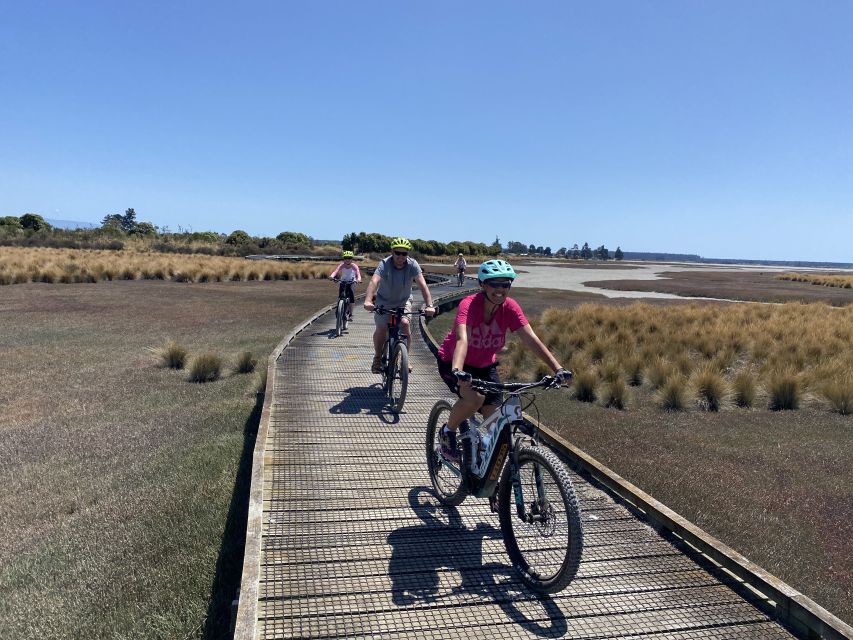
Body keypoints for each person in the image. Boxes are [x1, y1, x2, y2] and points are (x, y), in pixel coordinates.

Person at [434, 258, 571, 463]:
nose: (500, 289)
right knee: (474, 399)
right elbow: (463, 339)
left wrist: (558, 368)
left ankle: (485, 472)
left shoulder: (511, 308)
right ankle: (448, 432)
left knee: (495, 419)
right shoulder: (469, 304)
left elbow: (531, 339)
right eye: (494, 283)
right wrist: (458, 370)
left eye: (505, 284)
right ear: (482, 284)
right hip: (453, 361)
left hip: (485, 364)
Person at [363, 237, 436, 373]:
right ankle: (378, 358)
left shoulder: (413, 264)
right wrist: (368, 300)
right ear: (392, 252)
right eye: (398, 253)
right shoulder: (384, 264)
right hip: (383, 301)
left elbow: (423, 285)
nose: (401, 257)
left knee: (405, 323)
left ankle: (405, 359)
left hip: (404, 301)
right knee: (381, 327)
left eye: (404, 254)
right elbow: (374, 281)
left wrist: (429, 305)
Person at [329, 250, 361, 320]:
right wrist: (332, 276)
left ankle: (351, 313)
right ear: (344, 259)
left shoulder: (354, 266)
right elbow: (336, 271)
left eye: (349, 258)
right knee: (340, 296)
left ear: (352, 259)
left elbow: (358, 274)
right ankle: (339, 309)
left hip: (351, 282)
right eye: (346, 258)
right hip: (343, 282)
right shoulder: (342, 265)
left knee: (351, 296)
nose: (347, 260)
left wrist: (358, 279)